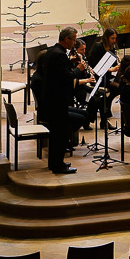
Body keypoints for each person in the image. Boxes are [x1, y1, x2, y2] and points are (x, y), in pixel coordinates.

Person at [35, 26, 86, 174]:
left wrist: (70, 62)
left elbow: (59, 71)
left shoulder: (53, 51)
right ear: (66, 39)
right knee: (60, 135)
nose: (75, 43)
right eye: (74, 40)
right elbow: (66, 78)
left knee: (57, 134)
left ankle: (54, 163)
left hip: (52, 100)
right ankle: (58, 165)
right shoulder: (59, 55)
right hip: (57, 102)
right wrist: (79, 69)